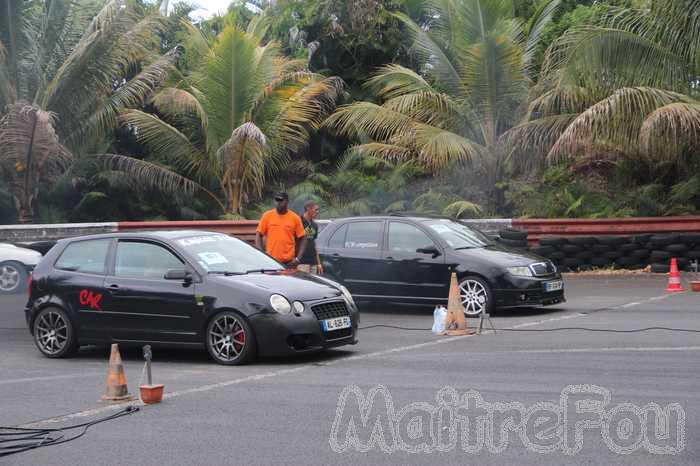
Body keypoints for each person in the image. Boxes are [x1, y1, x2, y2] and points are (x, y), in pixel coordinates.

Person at [255, 192, 306, 267]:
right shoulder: (267, 216)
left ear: (287, 201)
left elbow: (303, 238)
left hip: (289, 263)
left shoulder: (295, 218)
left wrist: (298, 259)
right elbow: (258, 234)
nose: (278, 203)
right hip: (271, 262)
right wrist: (261, 254)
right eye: (277, 200)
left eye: (281, 200)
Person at [297, 200, 323, 274]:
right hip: (301, 263)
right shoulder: (299, 222)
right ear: (308, 209)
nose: (317, 212)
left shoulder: (314, 225)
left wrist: (319, 263)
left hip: (313, 263)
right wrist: (295, 260)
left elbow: (314, 244)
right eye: (316, 209)